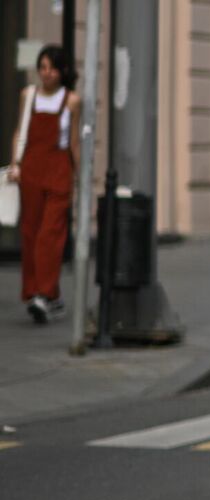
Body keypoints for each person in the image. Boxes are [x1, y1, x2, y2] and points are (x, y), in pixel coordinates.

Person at [7, 45, 80, 325]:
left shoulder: (71, 101)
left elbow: (73, 142)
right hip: (33, 171)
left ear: (62, 72)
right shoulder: (29, 96)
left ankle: (43, 292)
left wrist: (80, 178)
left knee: (50, 234)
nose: (46, 73)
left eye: (51, 68)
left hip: (59, 170)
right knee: (31, 233)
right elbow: (19, 132)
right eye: (42, 67)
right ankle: (48, 296)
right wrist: (16, 164)